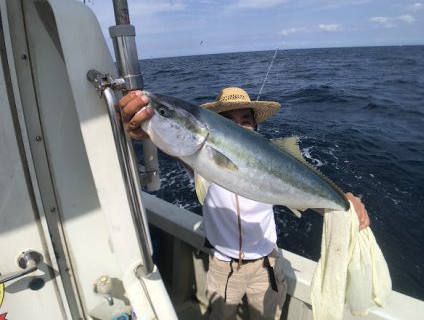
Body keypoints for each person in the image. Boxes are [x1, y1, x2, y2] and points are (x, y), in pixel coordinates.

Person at [119, 87, 371, 319]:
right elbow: (174, 143)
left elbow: (305, 193)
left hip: (266, 264)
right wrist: (144, 127)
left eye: (246, 121)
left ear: (256, 127)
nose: (238, 126)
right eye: (228, 121)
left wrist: (345, 202)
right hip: (222, 266)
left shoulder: (270, 159)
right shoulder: (198, 160)